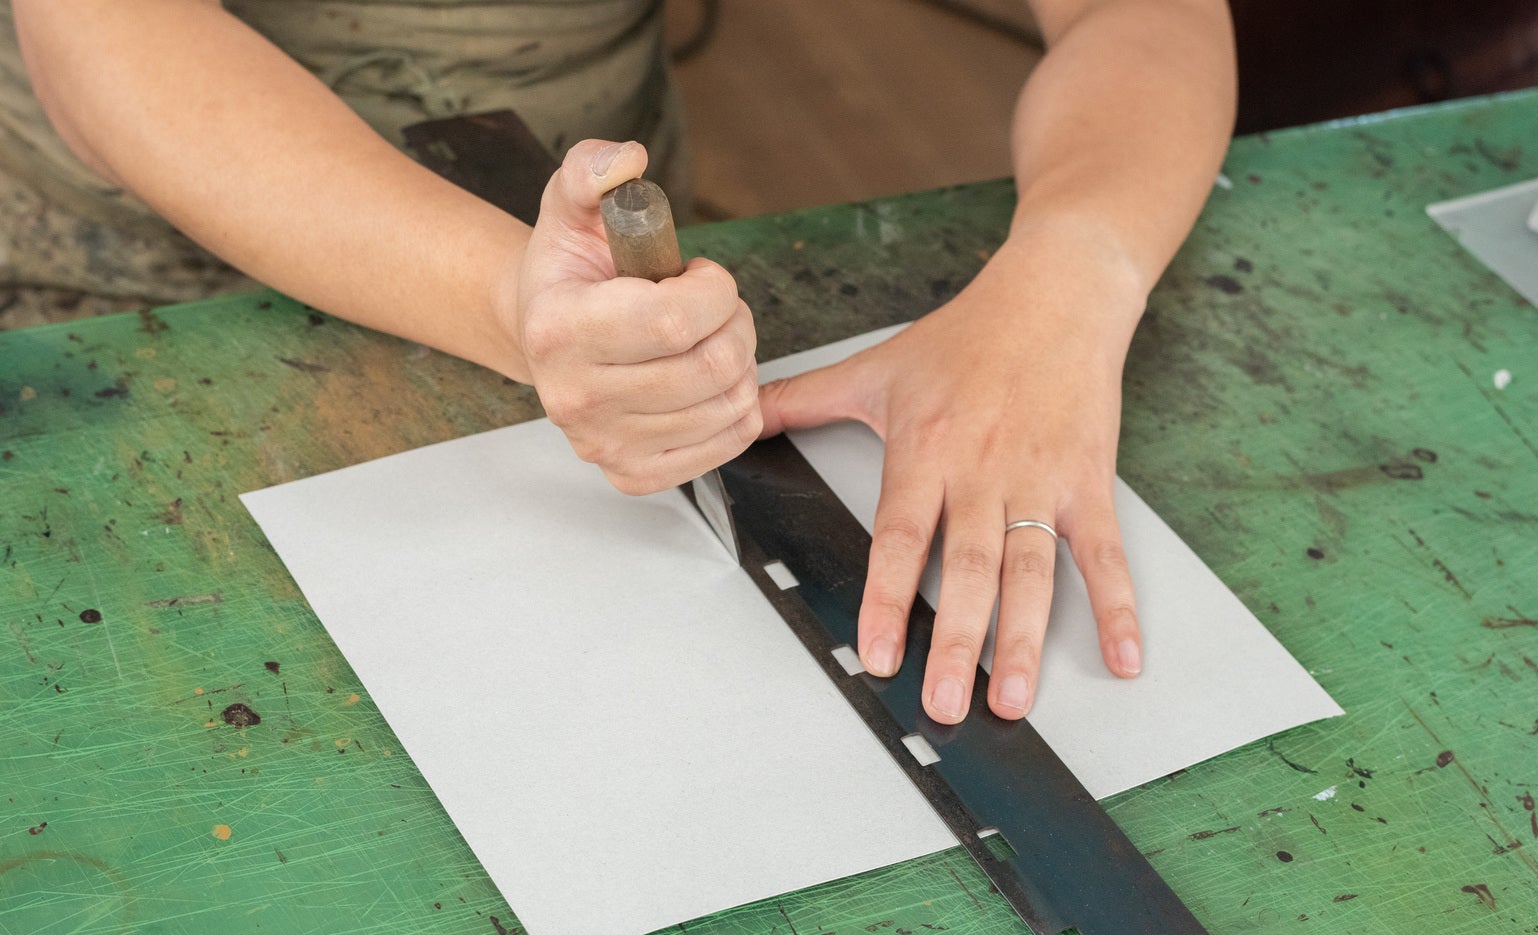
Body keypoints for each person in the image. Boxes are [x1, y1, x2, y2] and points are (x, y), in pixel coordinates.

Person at [9, 0, 1236, 726]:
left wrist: (1071, 276)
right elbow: (104, 35)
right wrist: (507, 298)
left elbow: (1144, 16)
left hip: (605, 218)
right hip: (141, 288)